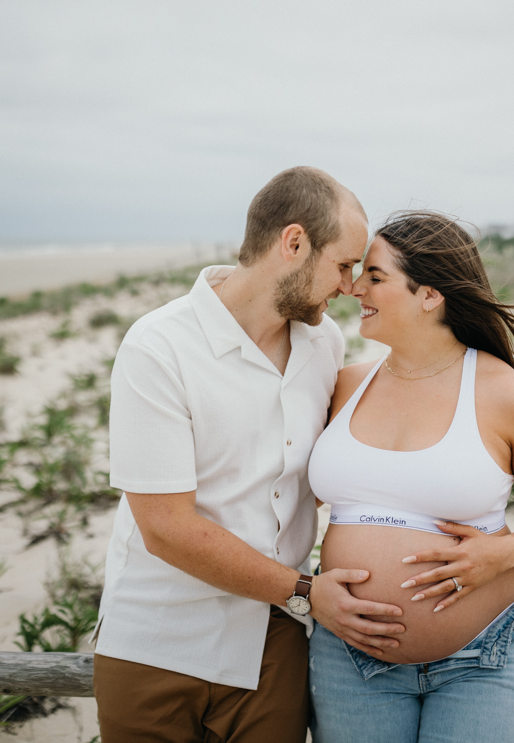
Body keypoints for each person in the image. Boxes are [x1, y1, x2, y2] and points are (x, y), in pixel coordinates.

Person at [93, 166, 408, 743]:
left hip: (273, 643)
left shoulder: (324, 345)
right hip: (156, 644)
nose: (348, 286)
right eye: (343, 264)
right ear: (294, 243)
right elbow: (164, 528)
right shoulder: (158, 346)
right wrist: (308, 593)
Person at [308, 210, 514, 743]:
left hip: (481, 657)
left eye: (375, 276)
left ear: (429, 294)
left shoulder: (504, 394)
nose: (354, 289)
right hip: (349, 654)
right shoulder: (343, 385)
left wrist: (503, 553)